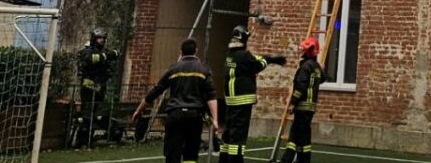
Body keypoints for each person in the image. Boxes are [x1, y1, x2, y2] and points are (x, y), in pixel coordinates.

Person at [132, 38, 221, 163]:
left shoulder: (173, 69)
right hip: (194, 116)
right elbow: (211, 96)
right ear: (196, 51)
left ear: (181, 52)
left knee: (173, 154)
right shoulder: (204, 70)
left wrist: (139, 109)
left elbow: (156, 91)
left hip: (175, 116)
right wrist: (215, 120)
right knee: (190, 154)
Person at [222, 26, 287, 163]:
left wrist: (263, 57)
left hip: (231, 101)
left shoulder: (230, 55)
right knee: (238, 136)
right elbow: (258, 64)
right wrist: (269, 59)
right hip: (242, 102)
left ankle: (224, 160)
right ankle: (236, 160)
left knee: (228, 134)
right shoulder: (245, 56)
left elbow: (252, 59)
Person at [279, 37, 322, 163]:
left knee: (296, 133)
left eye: (303, 50)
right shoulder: (316, 67)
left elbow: (300, 87)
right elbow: (323, 78)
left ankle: (288, 159)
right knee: (303, 134)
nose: (301, 52)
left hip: (302, 106)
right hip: (311, 106)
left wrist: (293, 103)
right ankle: (302, 159)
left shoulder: (305, 67)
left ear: (307, 52)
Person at [75, 27, 117, 146]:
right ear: (94, 39)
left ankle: (91, 137)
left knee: (97, 115)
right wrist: (105, 56)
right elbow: (90, 59)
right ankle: (82, 140)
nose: (102, 40)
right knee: (87, 114)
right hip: (89, 87)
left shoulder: (103, 51)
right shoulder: (87, 50)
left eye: (103, 38)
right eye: (99, 38)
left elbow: (115, 54)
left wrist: (107, 55)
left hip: (101, 87)